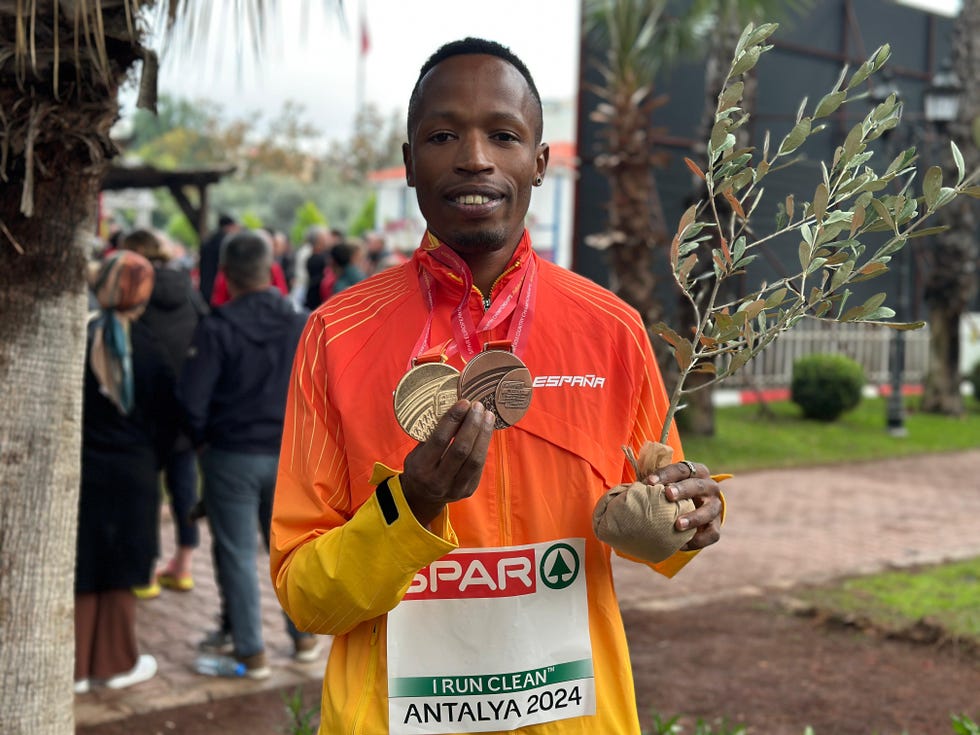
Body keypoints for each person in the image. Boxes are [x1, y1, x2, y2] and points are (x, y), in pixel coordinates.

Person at [270, 38, 724, 734]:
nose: (474, 156)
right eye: (443, 134)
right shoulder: (337, 334)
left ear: (539, 163)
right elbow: (305, 595)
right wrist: (412, 503)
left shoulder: (611, 329)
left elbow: (652, 525)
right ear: (410, 163)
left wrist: (688, 519)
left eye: (504, 135)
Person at [177, 230, 321, 680]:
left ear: (225, 275)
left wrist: (204, 439)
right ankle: (303, 638)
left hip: (231, 456)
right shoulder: (300, 322)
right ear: (271, 269)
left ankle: (251, 652)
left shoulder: (217, 327)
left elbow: (192, 400)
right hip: (288, 456)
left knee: (238, 554)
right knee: (288, 549)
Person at [75, 251, 178, 693]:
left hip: (83, 472)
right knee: (120, 566)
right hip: (134, 473)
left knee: (80, 566)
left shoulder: (76, 339)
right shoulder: (152, 347)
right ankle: (114, 663)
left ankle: (74, 666)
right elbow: (169, 421)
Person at [120, 229, 209, 594]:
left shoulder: (133, 290)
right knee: (184, 486)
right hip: (185, 404)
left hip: (143, 406)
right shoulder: (187, 288)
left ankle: (144, 573)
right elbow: (206, 329)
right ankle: (183, 567)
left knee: (144, 490)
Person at [197, 213, 239, 304]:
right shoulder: (229, 244)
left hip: (205, 286)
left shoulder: (207, 242)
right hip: (220, 290)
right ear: (230, 226)